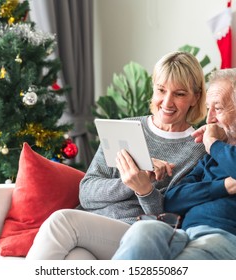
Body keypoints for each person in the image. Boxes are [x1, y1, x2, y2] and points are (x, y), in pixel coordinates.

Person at [26, 51, 208, 259]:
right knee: (74, 259)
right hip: (91, 230)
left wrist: (145, 190)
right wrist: (128, 181)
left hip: (134, 233)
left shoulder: (197, 150)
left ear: (195, 97)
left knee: (61, 222)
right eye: (161, 90)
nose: (167, 102)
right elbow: (86, 194)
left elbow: (168, 221)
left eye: (180, 94)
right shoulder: (124, 128)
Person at [111, 67, 236, 260]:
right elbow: (173, 199)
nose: (209, 118)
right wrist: (228, 185)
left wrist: (213, 144)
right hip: (186, 235)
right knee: (144, 230)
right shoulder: (214, 157)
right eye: (208, 109)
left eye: (218, 109)